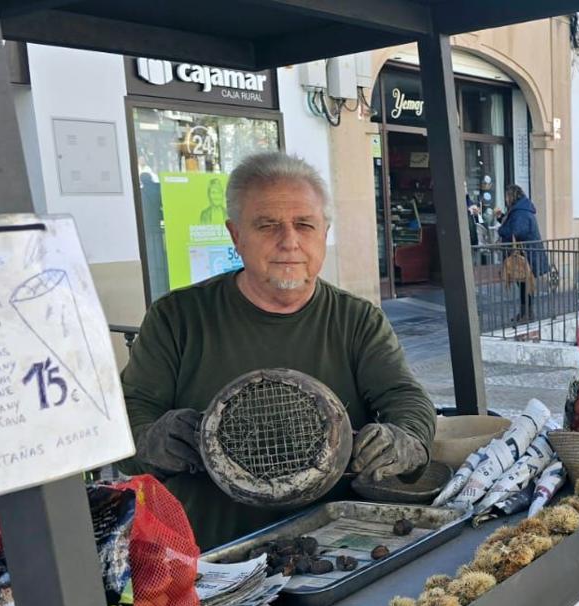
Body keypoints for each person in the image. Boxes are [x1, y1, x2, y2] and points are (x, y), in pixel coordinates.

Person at [121, 151, 435, 550]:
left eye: (304, 225)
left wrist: (404, 441)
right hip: (213, 554)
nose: (289, 241)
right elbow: (131, 415)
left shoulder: (357, 320)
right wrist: (153, 441)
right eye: (267, 225)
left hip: (333, 546)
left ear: (324, 232)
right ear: (236, 236)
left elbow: (405, 397)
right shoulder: (177, 319)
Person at [497, 184, 550, 322]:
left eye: (507, 196)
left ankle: (527, 314)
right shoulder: (520, 209)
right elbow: (515, 226)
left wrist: (501, 230)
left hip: (526, 255)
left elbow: (516, 231)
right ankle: (525, 313)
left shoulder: (520, 212)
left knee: (525, 285)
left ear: (512, 196)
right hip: (527, 254)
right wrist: (501, 218)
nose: (506, 199)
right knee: (523, 285)